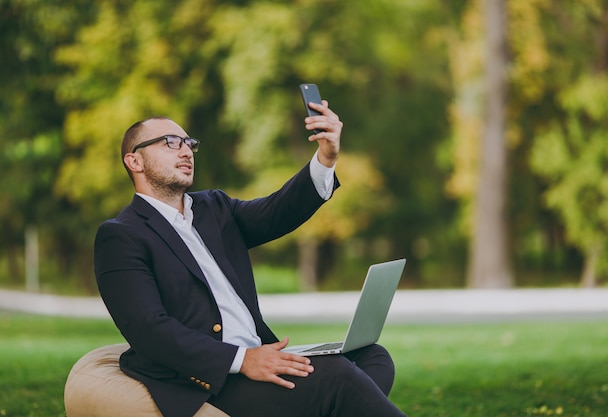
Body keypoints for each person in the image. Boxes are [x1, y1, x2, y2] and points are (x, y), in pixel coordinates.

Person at [94, 99, 406, 417]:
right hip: (209, 379)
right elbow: (150, 330)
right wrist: (243, 360)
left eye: (189, 143)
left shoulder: (214, 208)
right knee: (339, 377)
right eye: (171, 143)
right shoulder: (121, 235)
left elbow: (277, 212)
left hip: (259, 357)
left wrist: (326, 158)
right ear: (135, 161)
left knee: (372, 357)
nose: (186, 151)